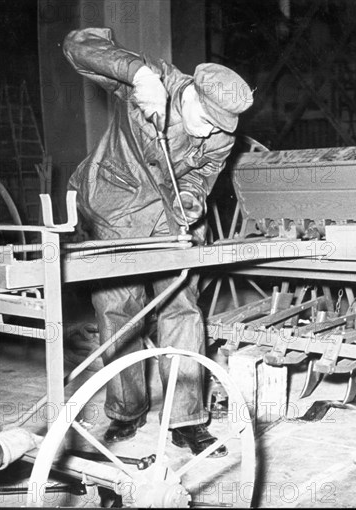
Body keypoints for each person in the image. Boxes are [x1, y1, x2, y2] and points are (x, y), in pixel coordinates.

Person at [63, 27, 253, 456]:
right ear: (190, 96)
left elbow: (204, 176)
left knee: (182, 311)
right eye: (204, 122)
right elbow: (79, 45)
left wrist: (189, 202)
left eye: (218, 130)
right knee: (118, 310)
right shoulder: (150, 81)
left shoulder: (220, 132)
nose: (207, 136)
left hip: (173, 223)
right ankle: (126, 412)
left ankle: (186, 420)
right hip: (117, 211)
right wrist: (139, 75)